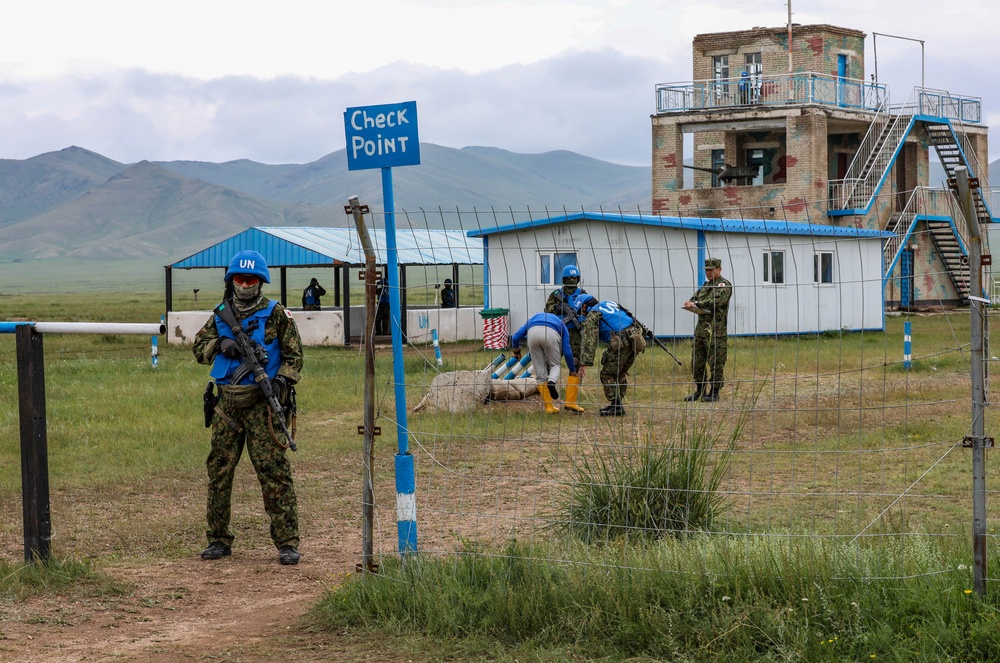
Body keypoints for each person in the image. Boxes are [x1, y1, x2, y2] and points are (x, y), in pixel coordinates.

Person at [192, 250, 304, 565]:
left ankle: (287, 542)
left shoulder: (277, 314)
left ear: (261, 281)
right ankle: (218, 539)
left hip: (262, 407)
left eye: (250, 279)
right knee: (219, 471)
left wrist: (281, 383)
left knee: (273, 471)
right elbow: (198, 348)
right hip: (227, 405)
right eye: (239, 279)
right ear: (231, 281)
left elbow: (295, 357)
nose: (244, 284)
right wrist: (220, 345)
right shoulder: (219, 315)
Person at [578, 296, 646, 417]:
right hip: (635, 338)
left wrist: (584, 363)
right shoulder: (609, 303)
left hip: (622, 340)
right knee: (620, 372)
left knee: (607, 374)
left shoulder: (593, 313)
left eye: (581, 312)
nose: (582, 315)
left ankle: (616, 405)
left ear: (584, 306)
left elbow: (589, 340)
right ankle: (618, 401)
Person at [682, 257, 733, 403]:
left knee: (716, 363)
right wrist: (690, 303)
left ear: (719, 269)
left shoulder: (724, 285)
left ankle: (714, 392)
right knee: (697, 362)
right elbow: (694, 298)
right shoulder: (705, 286)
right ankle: (700, 390)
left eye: (711, 270)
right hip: (701, 331)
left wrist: (696, 303)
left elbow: (717, 302)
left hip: (716, 333)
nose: (708, 273)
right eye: (707, 270)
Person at [510, 312, 579, 414]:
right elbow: (567, 351)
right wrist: (572, 370)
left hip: (532, 334)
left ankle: (549, 407)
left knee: (540, 373)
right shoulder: (561, 324)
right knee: (555, 365)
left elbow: (515, 337)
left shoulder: (533, 318)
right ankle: (552, 382)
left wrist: (517, 352)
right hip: (551, 334)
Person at [543, 264, 588, 413]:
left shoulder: (582, 294)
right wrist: (557, 309)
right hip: (558, 334)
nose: (572, 280)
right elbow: (547, 312)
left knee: (575, 364)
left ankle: (571, 402)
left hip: (575, 335)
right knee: (549, 364)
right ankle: (549, 401)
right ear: (564, 279)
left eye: (574, 278)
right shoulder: (556, 295)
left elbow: (589, 313)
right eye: (569, 278)